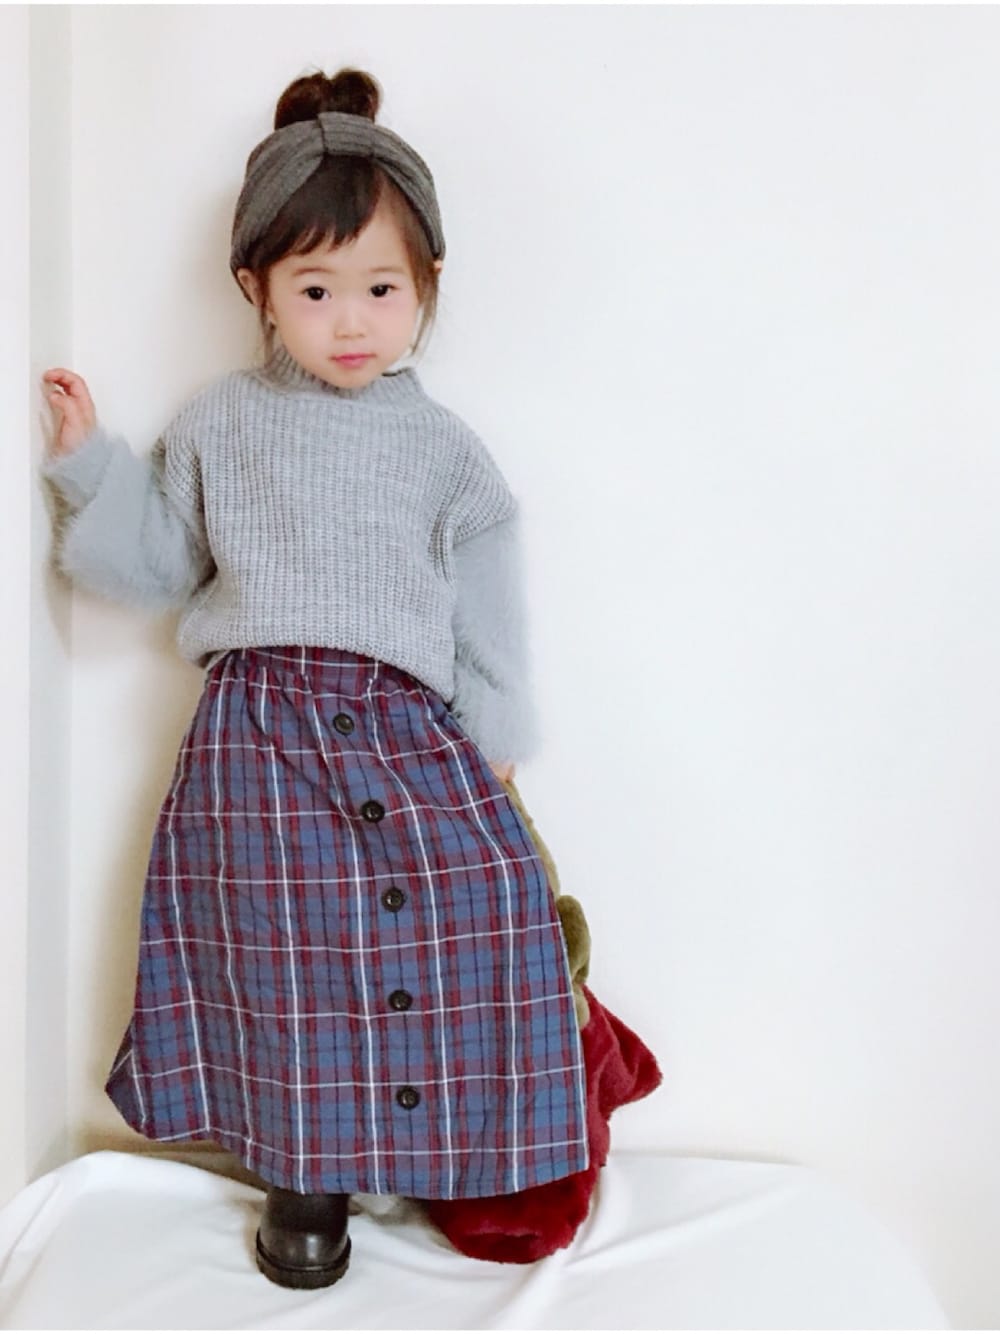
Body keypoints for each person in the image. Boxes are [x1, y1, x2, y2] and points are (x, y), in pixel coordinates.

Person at [40, 67, 588, 1291]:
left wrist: (495, 723)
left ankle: (448, 1148)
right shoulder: (221, 422)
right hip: (261, 731)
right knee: (289, 958)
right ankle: (306, 1181)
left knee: (472, 910)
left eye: (381, 288)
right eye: (315, 288)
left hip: (406, 726)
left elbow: (487, 588)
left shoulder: (443, 448)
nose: (352, 321)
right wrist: (90, 468)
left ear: (426, 285)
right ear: (257, 288)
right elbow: (155, 563)